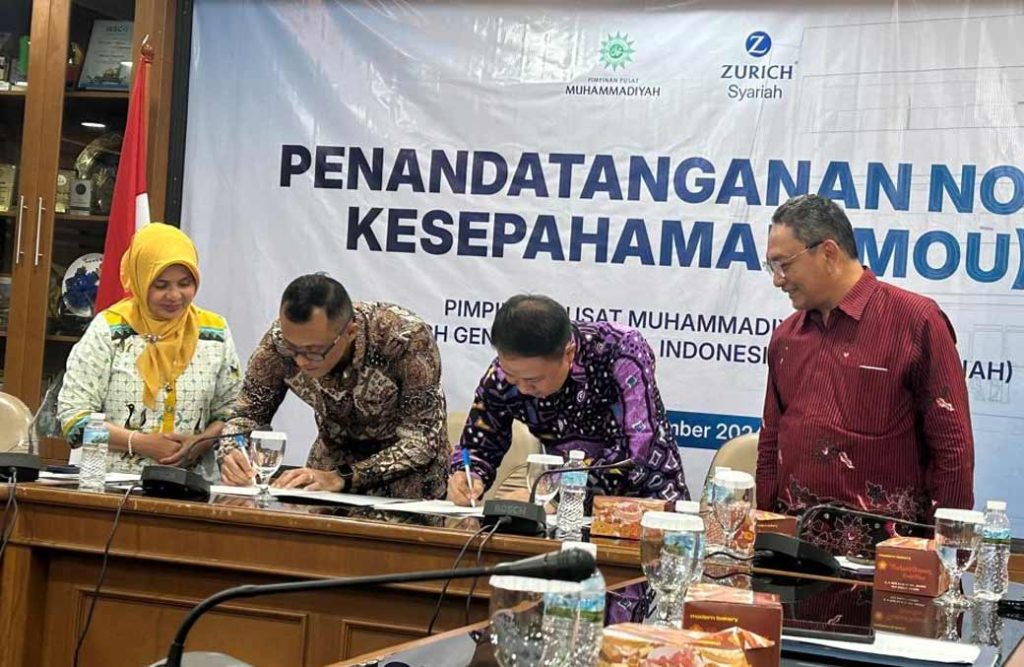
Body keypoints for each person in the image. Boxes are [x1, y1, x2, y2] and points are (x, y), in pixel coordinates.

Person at [757, 194, 974, 553]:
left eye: (784, 264)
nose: (778, 280)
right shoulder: (786, 339)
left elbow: (953, 451)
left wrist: (945, 556)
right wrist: (764, 540)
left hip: (888, 560)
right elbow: (771, 442)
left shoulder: (916, 323)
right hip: (793, 558)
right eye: (772, 267)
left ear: (828, 252)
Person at [218, 274, 449, 499]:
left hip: (407, 477)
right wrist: (231, 451)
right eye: (293, 349)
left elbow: (422, 439)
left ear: (350, 332)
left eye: (314, 351)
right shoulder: (279, 343)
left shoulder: (404, 338)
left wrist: (344, 477)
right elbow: (246, 415)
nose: (301, 361)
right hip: (330, 464)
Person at [448, 294, 689, 506]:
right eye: (512, 376)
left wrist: (552, 494)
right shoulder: (503, 376)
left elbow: (634, 452)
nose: (522, 388)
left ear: (569, 353)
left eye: (533, 380)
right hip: (566, 512)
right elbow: (478, 445)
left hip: (647, 501)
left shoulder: (620, 350)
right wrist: (469, 476)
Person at [58, 223, 243, 482]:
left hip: (192, 486)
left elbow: (233, 413)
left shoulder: (215, 332)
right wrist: (140, 443)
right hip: (113, 486)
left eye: (185, 283)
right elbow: (74, 421)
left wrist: (201, 442)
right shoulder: (109, 329)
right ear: (141, 280)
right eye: (161, 285)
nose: (174, 295)